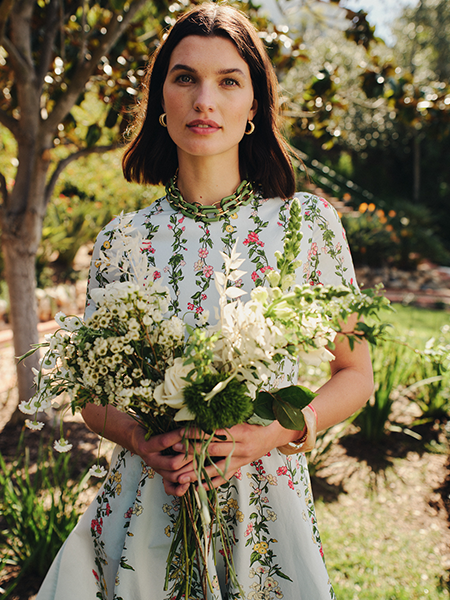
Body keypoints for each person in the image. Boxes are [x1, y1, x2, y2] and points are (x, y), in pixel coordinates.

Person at [36, 4, 373, 599]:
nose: (204, 100)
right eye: (185, 77)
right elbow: (92, 399)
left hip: (267, 520)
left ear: (253, 109)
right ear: (161, 101)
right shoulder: (122, 241)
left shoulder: (307, 225)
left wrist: (280, 433)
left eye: (228, 81)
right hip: (146, 517)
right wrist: (142, 440)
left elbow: (355, 373)